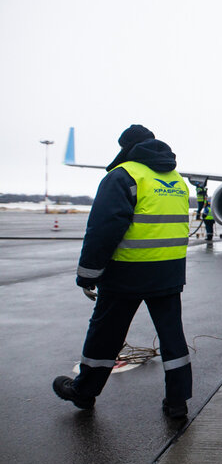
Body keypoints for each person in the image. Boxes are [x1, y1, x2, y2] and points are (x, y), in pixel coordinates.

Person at [52, 125, 193, 419]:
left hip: (125, 273)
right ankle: (178, 401)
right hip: (168, 273)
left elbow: (103, 229)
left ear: (126, 147)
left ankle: (85, 392)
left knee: (105, 335)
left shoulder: (123, 175)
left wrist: (88, 274)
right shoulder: (177, 180)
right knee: (172, 339)